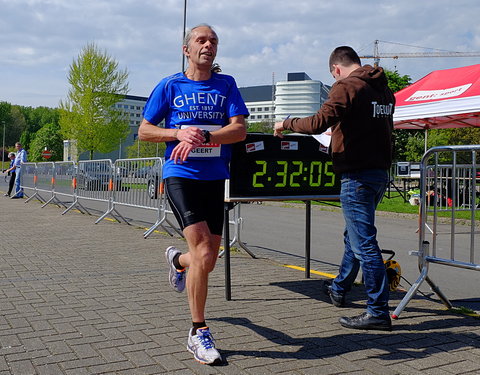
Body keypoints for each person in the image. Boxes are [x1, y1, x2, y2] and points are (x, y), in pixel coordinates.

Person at [138, 24, 248, 364]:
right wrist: (177, 133)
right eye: (201, 40)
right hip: (180, 174)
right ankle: (197, 332)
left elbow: (240, 129)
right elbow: (144, 130)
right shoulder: (170, 85)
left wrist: (204, 137)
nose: (208, 45)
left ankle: (176, 261)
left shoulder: (226, 84)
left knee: (207, 260)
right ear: (187, 49)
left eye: (213, 41)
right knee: (202, 250)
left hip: (215, 178)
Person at [274, 46, 395, 331]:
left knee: (365, 243)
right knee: (353, 236)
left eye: (333, 76)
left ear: (336, 69)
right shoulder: (384, 90)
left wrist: (286, 122)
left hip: (356, 175)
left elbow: (318, 121)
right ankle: (340, 288)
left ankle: (378, 310)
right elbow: (365, 126)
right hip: (379, 173)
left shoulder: (345, 86)